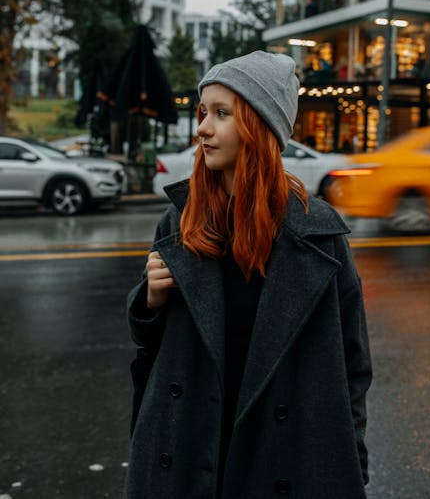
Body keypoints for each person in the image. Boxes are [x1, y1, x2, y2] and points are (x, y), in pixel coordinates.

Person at [124, 50, 372, 499]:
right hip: (190, 448)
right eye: (203, 113)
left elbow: (353, 363)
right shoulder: (181, 221)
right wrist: (149, 303)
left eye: (221, 114)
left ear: (259, 128)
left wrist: (350, 457)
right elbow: (152, 350)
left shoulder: (317, 234)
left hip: (283, 454)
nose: (202, 128)